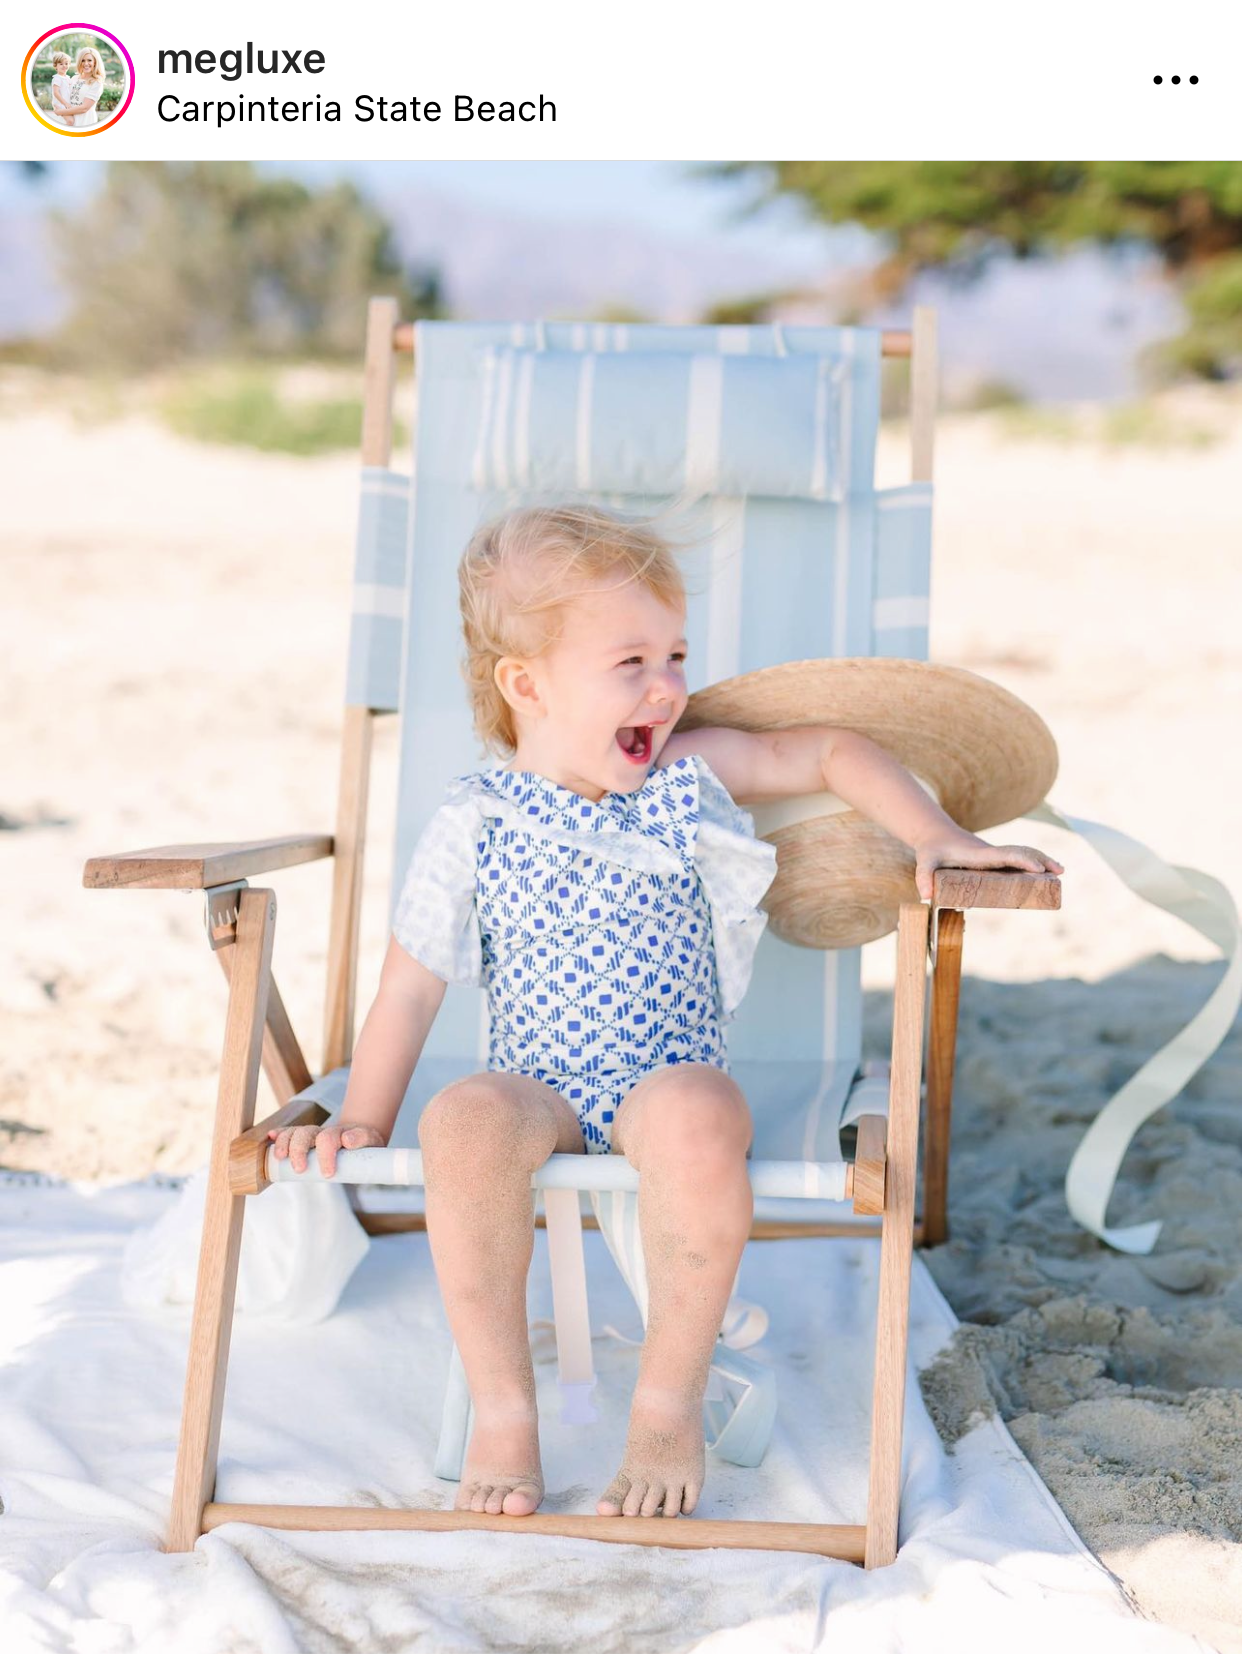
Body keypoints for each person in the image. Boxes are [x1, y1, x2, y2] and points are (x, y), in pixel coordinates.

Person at [268, 502, 1064, 1521]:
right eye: (632, 661)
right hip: (538, 1090)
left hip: (663, 1077)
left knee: (696, 1114)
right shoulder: (472, 822)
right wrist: (364, 1119)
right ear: (527, 684)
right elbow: (411, 984)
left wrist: (938, 833)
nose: (668, 686)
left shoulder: (685, 777)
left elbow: (829, 751)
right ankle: (506, 1409)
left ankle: (666, 1399)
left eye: (677, 654)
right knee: (461, 1119)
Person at [62, 45, 106, 129]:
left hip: (85, 122)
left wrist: (61, 111)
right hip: (69, 120)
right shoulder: (74, 78)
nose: (86, 63)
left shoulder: (96, 82)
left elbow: (84, 108)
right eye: (83, 60)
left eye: (89, 60)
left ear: (95, 62)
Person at [49, 52, 76, 127]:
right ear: (55, 66)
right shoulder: (57, 78)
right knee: (70, 121)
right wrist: (65, 103)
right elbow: (56, 93)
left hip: (67, 104)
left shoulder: (67, 77)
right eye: (61, 64)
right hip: (61, 105)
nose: (64, 66)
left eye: (66, 63)